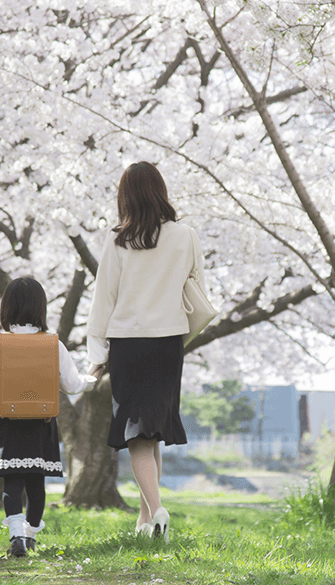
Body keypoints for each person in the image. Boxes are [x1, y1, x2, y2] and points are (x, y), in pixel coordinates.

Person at [86, 161, 209, 542]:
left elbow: (103, 298)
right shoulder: (186, 235)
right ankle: (145, 524)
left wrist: (96, 353)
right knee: (151, 432)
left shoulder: (118, 239)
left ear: (126, 195)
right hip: (169, 344)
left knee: (137, 435)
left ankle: (156, 511)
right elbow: (198, 288)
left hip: (129, 344)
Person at [0, 277, 96, 557]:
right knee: (36, 484)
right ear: (41, 308)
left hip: (8, 421)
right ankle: (30, 537)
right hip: (42, 422)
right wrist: (92, 377)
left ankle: (16, 536)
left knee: (13, 481)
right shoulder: (53, 344)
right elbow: (71, 384)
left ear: (6, 308)